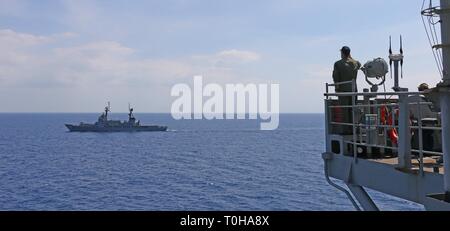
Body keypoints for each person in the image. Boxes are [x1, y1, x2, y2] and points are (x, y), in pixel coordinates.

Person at [332, 46, 361, 135]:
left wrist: (337, 90)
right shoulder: (355, 63)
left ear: (342, 53)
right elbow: (359, 64)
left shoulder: (338, 64)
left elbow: (336, 77)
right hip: (353, 90)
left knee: (345, 111)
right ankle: (354, 129)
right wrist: (350, 57)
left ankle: (346, 130)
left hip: (343, 90)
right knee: (353, 110)